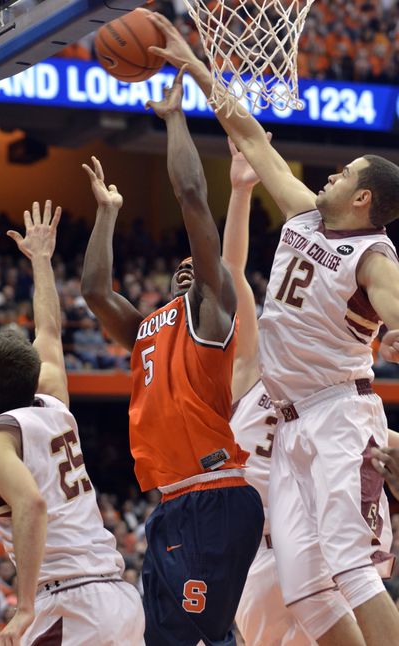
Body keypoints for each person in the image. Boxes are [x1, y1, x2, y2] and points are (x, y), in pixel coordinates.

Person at [146, 15, 399, 646]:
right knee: (307, 590)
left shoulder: (376, 258)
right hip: (289, 426)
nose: (332, 173)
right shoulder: (303, 213)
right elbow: (249, 133)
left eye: (346, 172)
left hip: (340, 414)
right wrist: (196, 66)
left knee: (354, 571)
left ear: (365, 199)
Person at [81, 69, 264, 646]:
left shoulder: (213, 314)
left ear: (207, 277)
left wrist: (175, 120)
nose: (189, 263)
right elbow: (92, 292)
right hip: (171, 505)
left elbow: (190, 197)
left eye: (198, 262)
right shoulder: (146, 327)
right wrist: (108, 213)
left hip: (213, 495)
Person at [0, 200, 145, 645]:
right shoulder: (54, 406)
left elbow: (32, 505)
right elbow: (48, 333)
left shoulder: (3, 438)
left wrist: (23, 607)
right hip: (115, 598)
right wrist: (41, 262)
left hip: (67, 604)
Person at [223, 137, 316, 645]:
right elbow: (233, 271)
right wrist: (240, 191)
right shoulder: (249, 374)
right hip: (254, 553)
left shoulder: (325, 385)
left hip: (310, 543)